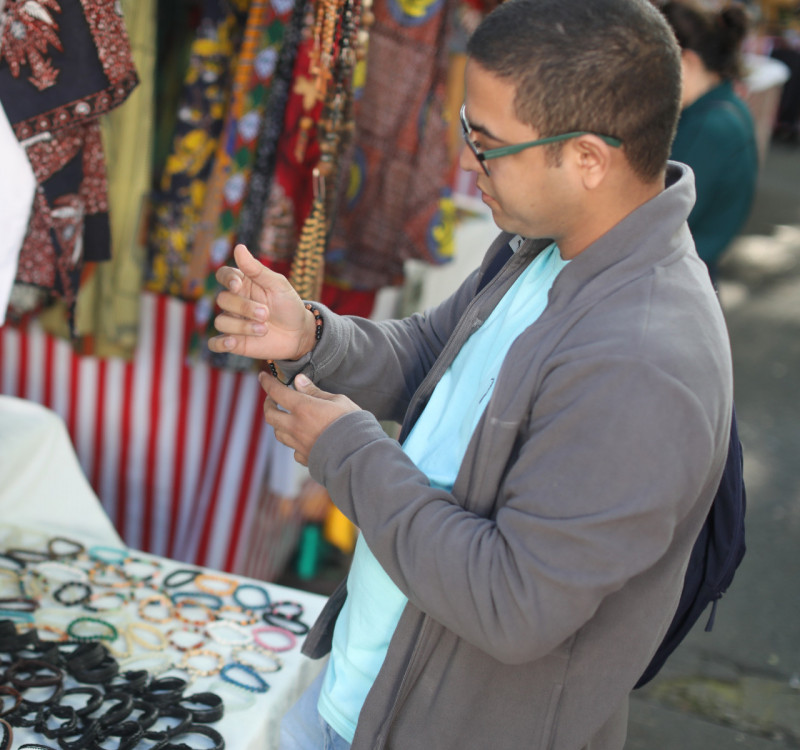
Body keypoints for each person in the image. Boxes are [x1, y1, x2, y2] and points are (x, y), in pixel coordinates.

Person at [208, 1, 734, 748]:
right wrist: (316, 336)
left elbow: (512, 605)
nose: (466, 164)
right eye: (466, 130)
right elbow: (434, 356)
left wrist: (348, 451)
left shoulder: (644, 360)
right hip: (367, 694)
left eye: (487, 145)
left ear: (587, 158)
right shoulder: (549, 243)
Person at [661, 1, 758, 282]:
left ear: (687, 61)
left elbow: (659, 219)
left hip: (677, 279)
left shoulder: (710, 128)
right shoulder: (724, 107)